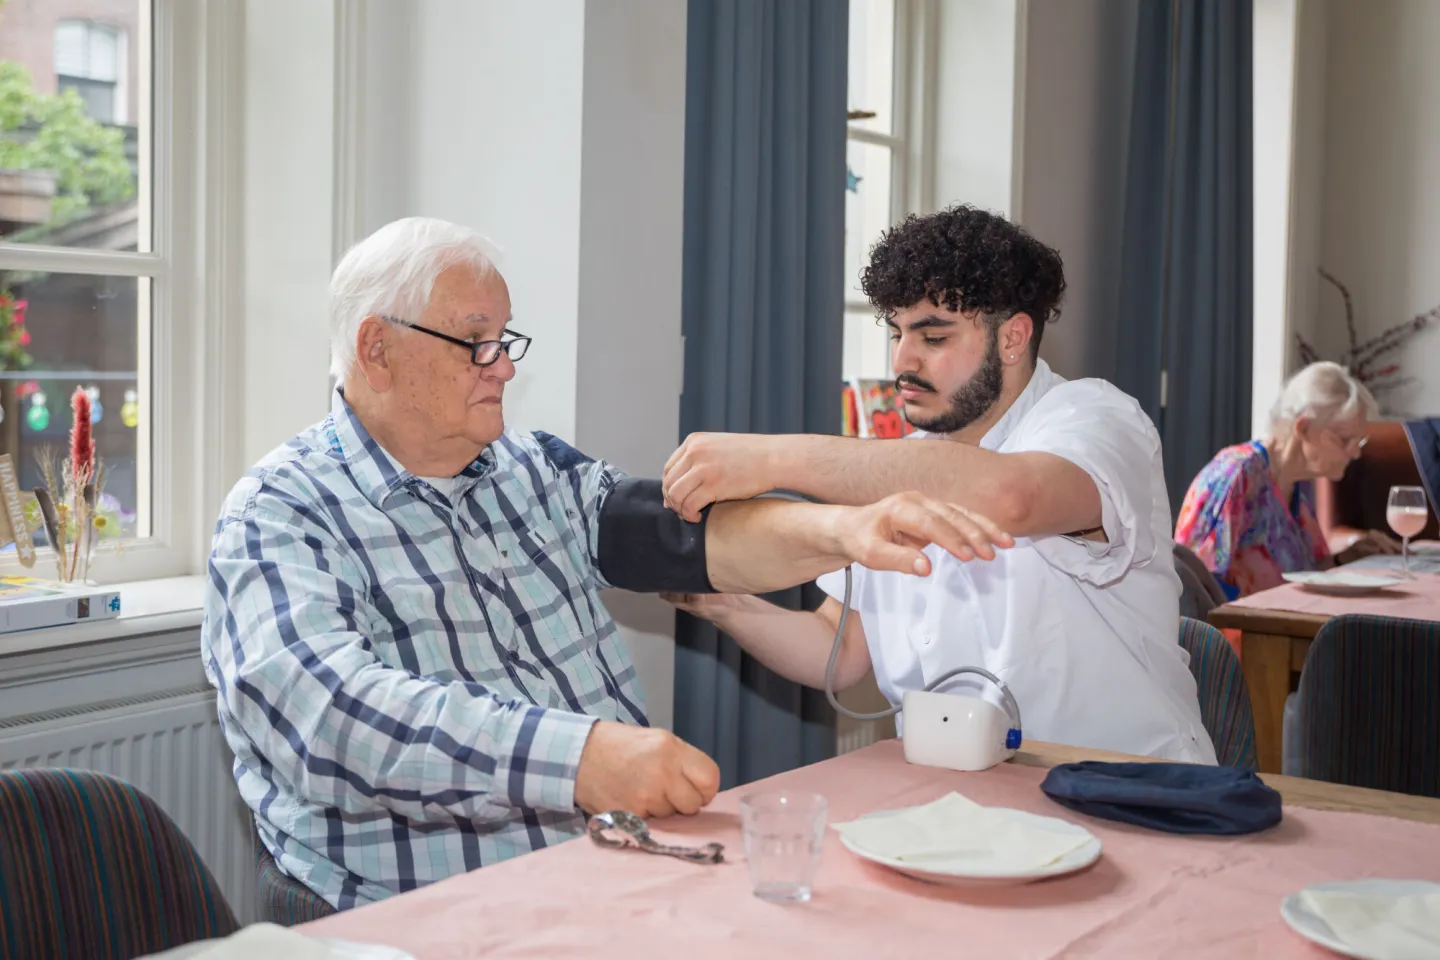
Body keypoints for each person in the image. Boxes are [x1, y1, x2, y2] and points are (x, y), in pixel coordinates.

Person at [200, 217, 998, 910]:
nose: (504, 367)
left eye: (504, 341)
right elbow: (330, 722)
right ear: (377, 349)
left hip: (617, 877)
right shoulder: (281, 513)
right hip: (433, 914)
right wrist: (579, 758)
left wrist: (845, 528)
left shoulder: (530, 470)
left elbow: (687, 540)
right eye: (477, 343)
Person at [661, 204, 1216, 764]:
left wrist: (777, 456)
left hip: (1127, 787)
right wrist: (725, 604)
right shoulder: (901, 465)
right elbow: (842, 651)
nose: (902, 359)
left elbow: (1012, 498)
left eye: (933, 337)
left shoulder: (1096, 418)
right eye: (897, 332)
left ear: (1013, 338)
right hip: (959, 793)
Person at [1175, 361, 1398, 600]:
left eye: (1359, 441)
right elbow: (1192, 588)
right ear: (1303, 428)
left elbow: (1308, 574)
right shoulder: (1237, 474)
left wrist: (1346, 557)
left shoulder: (1298, 485)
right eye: (1345, 440)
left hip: (1285, 628)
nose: (1355, 453)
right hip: (1239, 634)